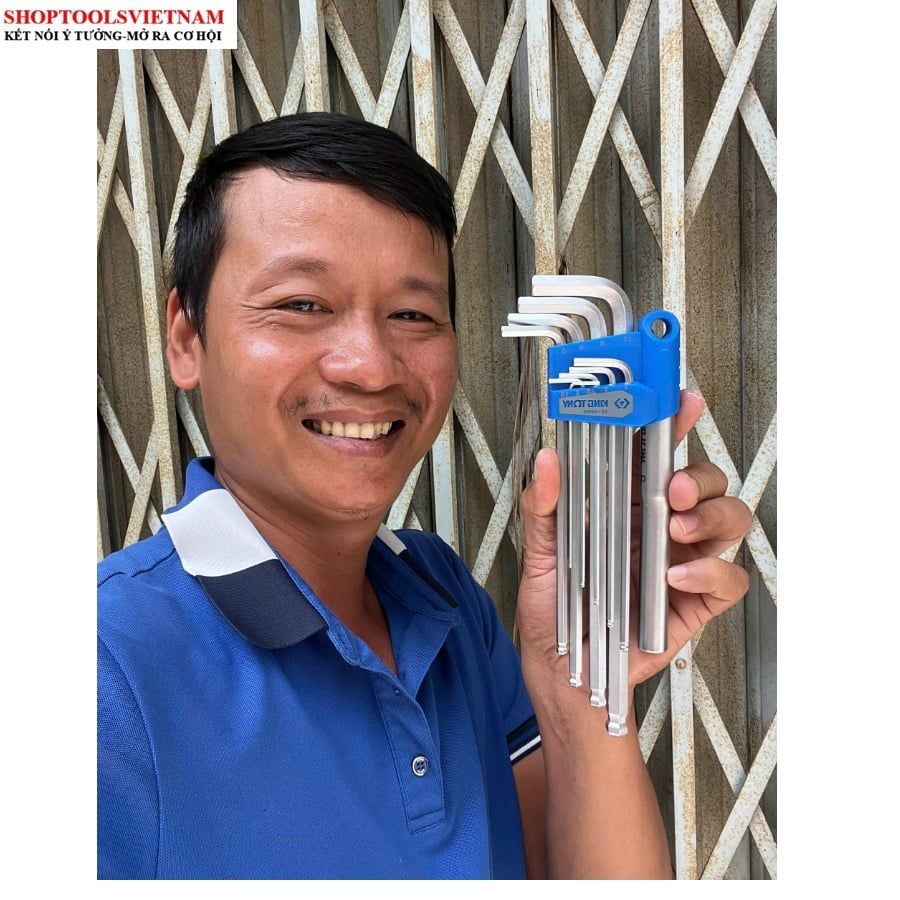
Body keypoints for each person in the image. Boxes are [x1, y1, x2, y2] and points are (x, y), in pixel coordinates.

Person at [98, 112, 752, 879]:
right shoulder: (106, 667)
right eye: (302, 305)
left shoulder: (442, 596)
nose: (371, 366)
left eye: (412, 314)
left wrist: (581, 685)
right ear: (186, 338)